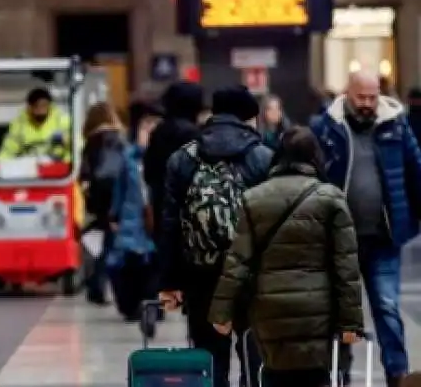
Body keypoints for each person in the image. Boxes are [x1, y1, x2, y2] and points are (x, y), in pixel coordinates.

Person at [208, 126, 364, 387]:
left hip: (270, 310)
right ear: (315, 156)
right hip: (317, 310)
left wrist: (221, 313)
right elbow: (345, 265)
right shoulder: (330, 198)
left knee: (275, 375)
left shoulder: (253, 198)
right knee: (316, 377)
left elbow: (238, 261)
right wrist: (351, 322)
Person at [311, 71, 421, 387]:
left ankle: (397, 375)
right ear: (348, 94)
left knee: (387, 307)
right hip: (338, 239)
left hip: (384, 238)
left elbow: (416, 172)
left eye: (373, 97)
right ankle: (339, 372)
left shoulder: (397, 126)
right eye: (362, 97)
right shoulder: (326, 128)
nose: (368, 104)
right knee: (339, 311)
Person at [159, 85, 273, 387]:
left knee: (208, 357)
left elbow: (170, 223)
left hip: (201, 273)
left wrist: (170, 282)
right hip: (250, 273)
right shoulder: (263, 158)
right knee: (254, 354)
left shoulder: (183, 159)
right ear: (249, 119)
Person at [80, 102, 155, 316]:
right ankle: (102, 286)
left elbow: (86, 171)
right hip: (117, 196)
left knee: (107, 244)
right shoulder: (120, 140)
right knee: (112, 245)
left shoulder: (91, 142)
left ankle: (98, 286)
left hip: (100, 197)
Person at [142, 81, 205, 236]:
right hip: (187, 212)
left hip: (161, 207)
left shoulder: (159, 131)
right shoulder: (192, 134)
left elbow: (149, 172)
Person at [0, 88, 72, 162]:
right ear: (30, 107)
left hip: (57, 165)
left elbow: (77, 145)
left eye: (44, 105)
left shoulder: (62, 120)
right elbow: (8, 150)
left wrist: (67, 141)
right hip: (29, 165)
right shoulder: (19, 124)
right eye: (37, 106)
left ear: (50, 105)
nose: (41, 110)